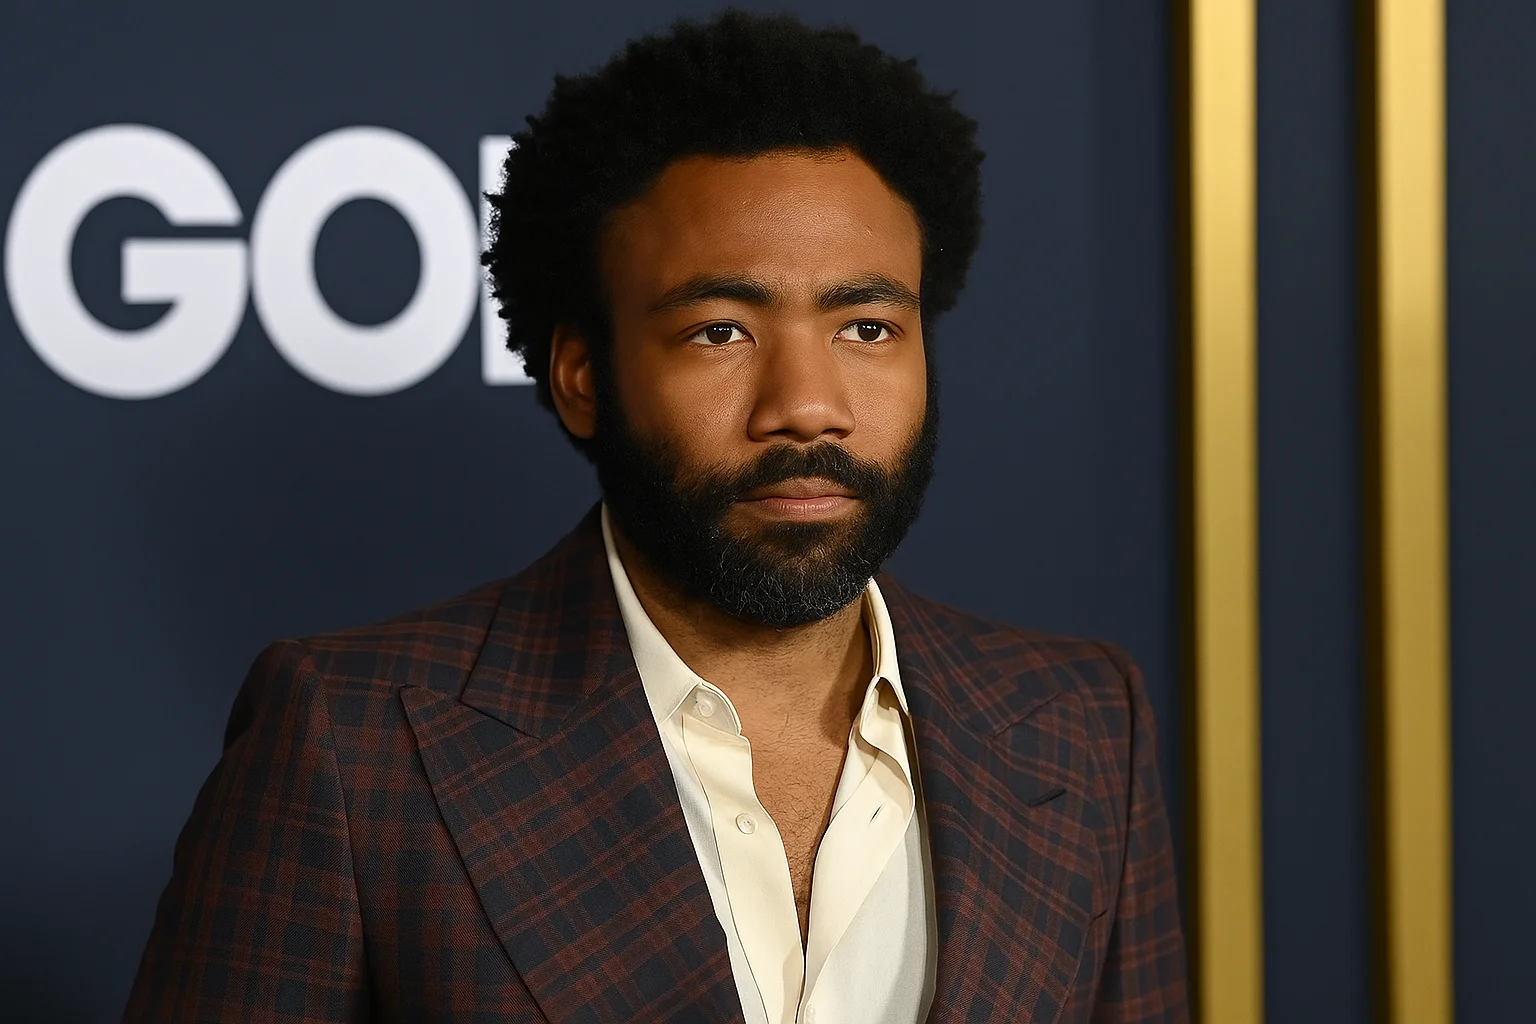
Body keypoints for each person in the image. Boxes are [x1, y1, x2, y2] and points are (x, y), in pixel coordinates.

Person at [126, 11, 1186, 1022]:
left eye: (867, 326)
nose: (807, 404)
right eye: (721, 332)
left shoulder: (1084, 725)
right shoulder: (353, 744)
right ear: (583, 374)